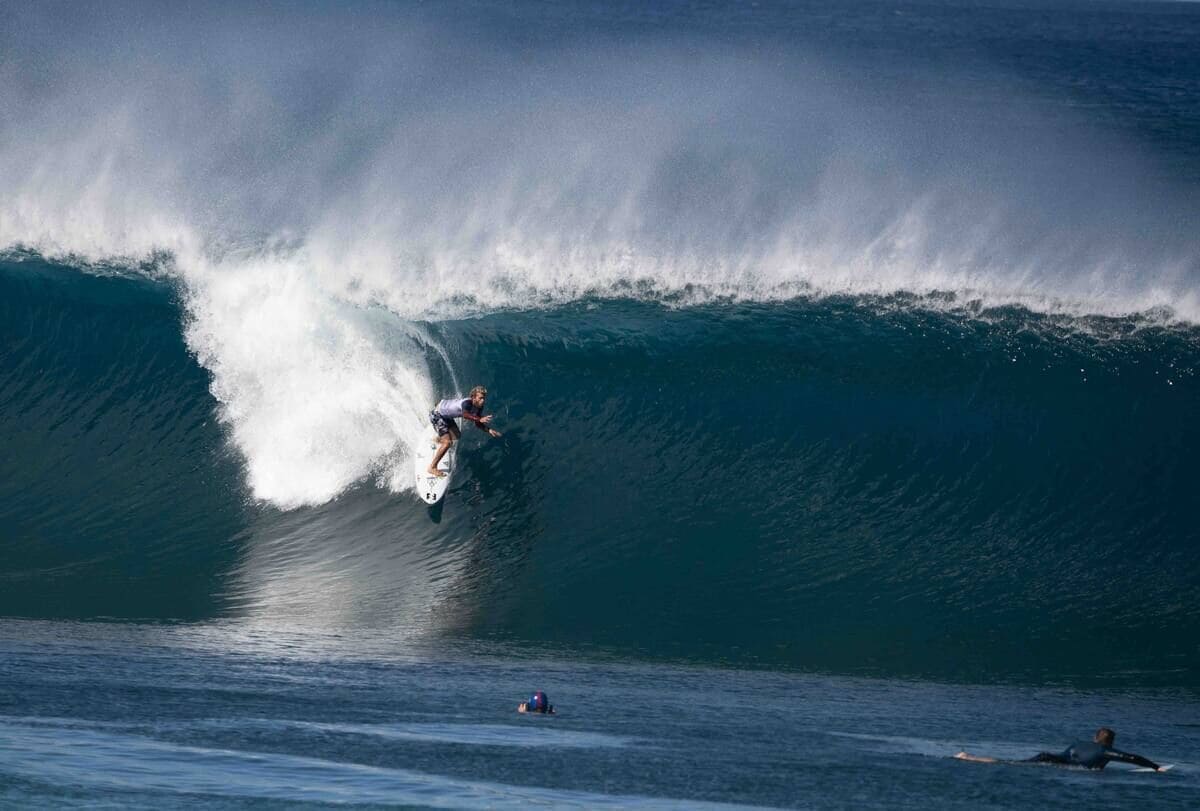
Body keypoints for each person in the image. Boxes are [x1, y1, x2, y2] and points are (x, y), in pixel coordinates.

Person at [955, 727, 1163, 771]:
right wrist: (1155, 767)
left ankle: (968, 757)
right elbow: (1133, 758)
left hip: (1050, 757)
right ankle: (968, 757)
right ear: (1109, 742)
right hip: (1056, 763)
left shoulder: (1078, 743)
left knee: (1009, 762)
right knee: (1009, 764)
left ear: (1094, 737)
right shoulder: (1105, 751)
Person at [427, 386, 502, 477]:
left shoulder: (479, 407)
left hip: (446, 416)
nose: (483, 400)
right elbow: (465, 415)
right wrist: (479, 418)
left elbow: (477, 423)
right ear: (473, 397)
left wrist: (488, 430)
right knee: (448, 443)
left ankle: (439, 439)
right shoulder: (467, 403)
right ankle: (432, 467)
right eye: (480, 398)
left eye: (484, 398)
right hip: (437, 414)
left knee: (457, 436)